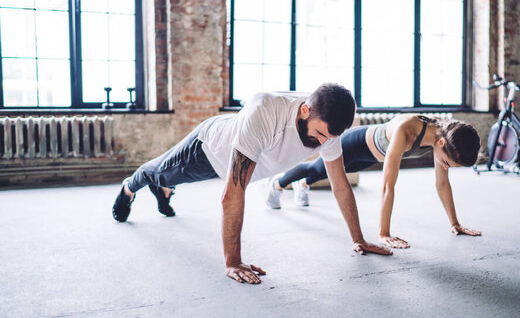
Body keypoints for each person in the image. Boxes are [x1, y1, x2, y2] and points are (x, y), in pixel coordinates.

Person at [112, 83, 392, 284]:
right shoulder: (267, 111)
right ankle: (130, 188)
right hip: (208, 151)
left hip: (234, 154)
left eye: (328, 139)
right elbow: (232, 193)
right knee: (158, 172)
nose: (322, 144)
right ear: (305, 110)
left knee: (168, 181)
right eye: (319, 135)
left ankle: (165, 192)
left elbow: (340, 184)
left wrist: (359, 239)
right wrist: (232, 262)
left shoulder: (327, 129)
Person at [267, 114, 482, 248]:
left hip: (370, 156)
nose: (444, 167)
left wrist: (455, 223)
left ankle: (303, 184)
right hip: (355, 144)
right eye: (446, 162)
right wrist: (384, 233)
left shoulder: (443, 140)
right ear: (442, 143)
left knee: (326, 174)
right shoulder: (406, 130)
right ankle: (277, 185)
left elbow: (442, 183)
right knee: (317, 168)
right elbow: (388, 185)